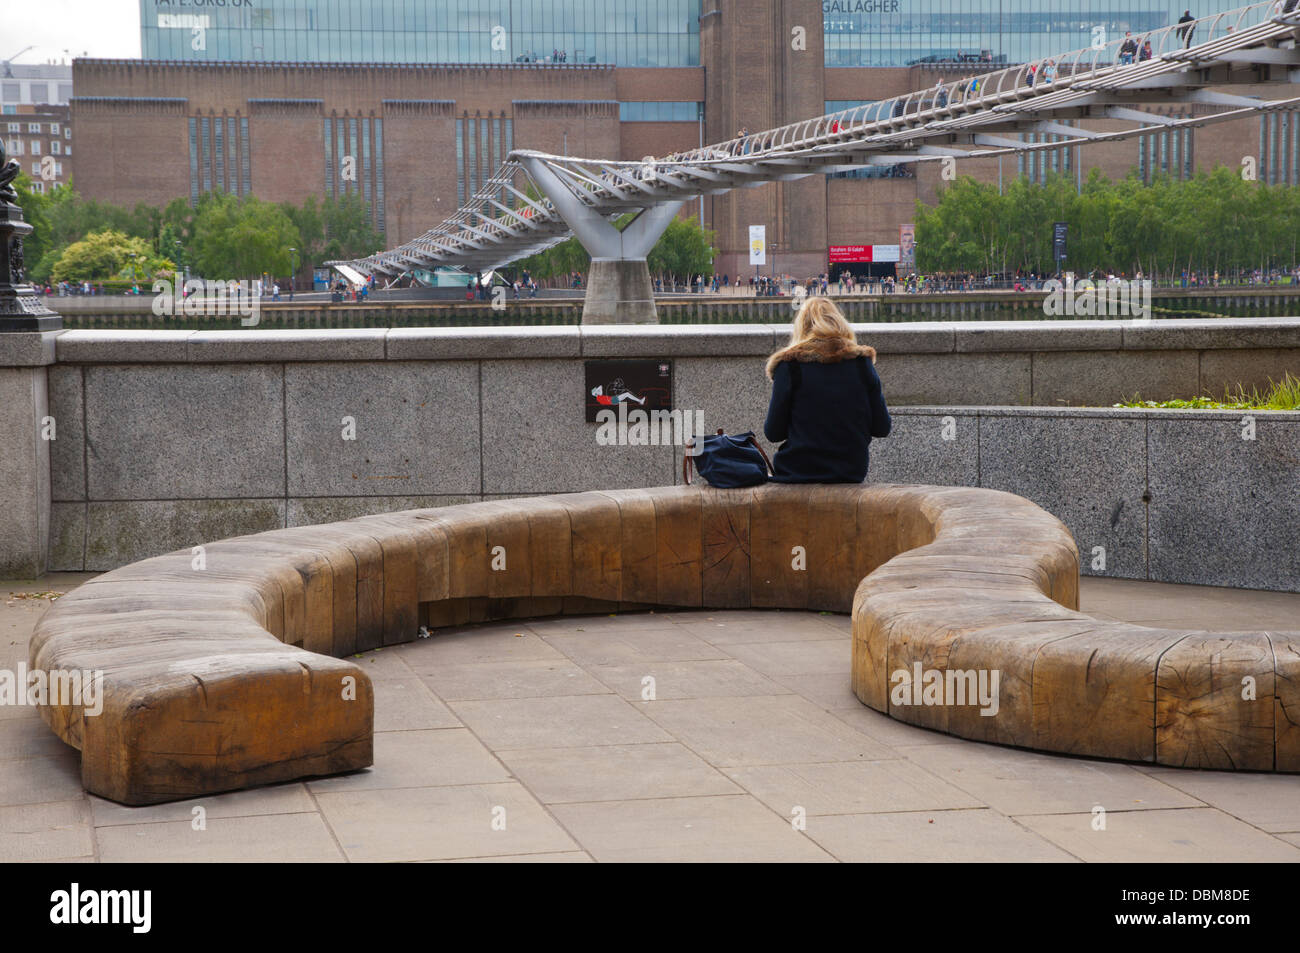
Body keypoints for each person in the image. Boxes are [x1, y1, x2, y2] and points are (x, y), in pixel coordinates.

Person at [762, 296, 891, 484]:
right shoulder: (862, 364)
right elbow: (882, 428)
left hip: (798, 472)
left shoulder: (790, 366)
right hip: (850, 472)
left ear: (802, 327)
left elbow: (773, 433)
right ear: (840, 323)